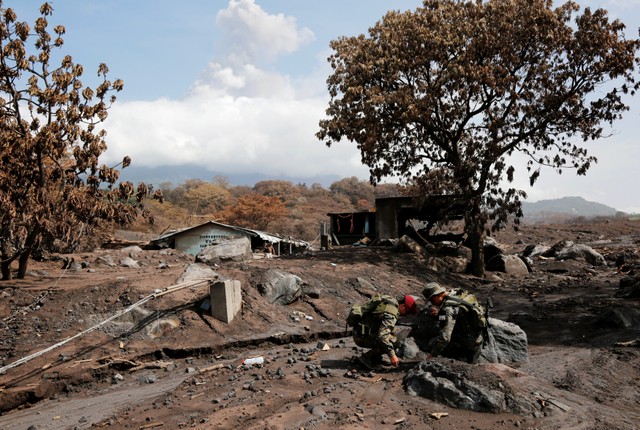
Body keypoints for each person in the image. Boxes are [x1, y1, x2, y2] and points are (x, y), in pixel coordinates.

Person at [421, 282, 486, 364]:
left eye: (431, 299)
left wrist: (433, 355)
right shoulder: (455, 293)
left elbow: (445, 338)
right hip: (477, 335)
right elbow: (453, 317)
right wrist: (439, 316)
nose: (431, 303)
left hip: (469, 343)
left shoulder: (448, 309)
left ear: (438, 295)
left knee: (433, 342)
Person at [352, 294, 418, 368]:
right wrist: (392, 355)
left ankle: (375, 358)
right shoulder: (391, 314)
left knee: (392, 334)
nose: (405, 315)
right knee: (394, 341)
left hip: (359, 331)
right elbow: (382, 336)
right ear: (403, 306)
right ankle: (367, 358)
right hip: (361, 337)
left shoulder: (390, 300)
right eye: (407, 312)